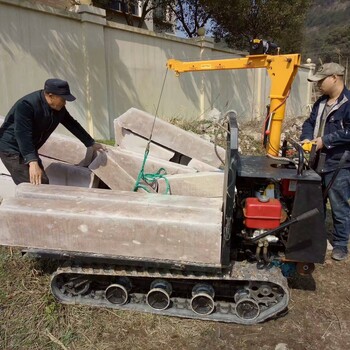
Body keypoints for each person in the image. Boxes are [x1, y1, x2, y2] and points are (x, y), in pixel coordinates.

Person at [0, 78, 106, 186]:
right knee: (33, 185)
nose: (65, 103)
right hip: (11, 148)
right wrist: (32, 161)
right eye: (63, 99)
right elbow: (23, 134)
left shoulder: (58, 108)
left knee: (42, 182)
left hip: (28, 148)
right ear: (51, 96)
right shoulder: (27, 105)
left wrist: (90, 143)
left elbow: (72, 124)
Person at [300, 62, 350, 261]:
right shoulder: (321, 102)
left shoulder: (348, 102)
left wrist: (325, 141)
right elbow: (309, 122)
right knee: (316, 201)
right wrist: (306, 137)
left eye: (321, 80)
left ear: (335, 78)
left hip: (339, 163)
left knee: (339, 205)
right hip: (317, 160)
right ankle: (317, 238)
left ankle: (340, 244)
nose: (318, 84)